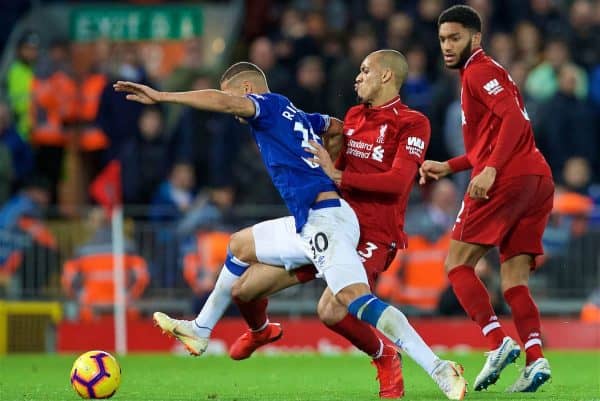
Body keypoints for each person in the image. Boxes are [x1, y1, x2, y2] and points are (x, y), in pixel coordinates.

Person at [115, 60, 467, 400]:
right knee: (240, 260)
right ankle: (208, 329)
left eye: (236, 98)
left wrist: (162, 97)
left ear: (248, 90)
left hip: (330, 221)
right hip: (310, 221)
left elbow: (223, 102)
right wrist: (326, 157)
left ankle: (437, 367)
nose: (234, 110)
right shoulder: (293, 110)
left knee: (352, 302)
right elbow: (332, 126)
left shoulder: (266, 106)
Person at [227, 49, 439, 399]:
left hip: (374, 231)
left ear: (386, 76)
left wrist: (337, 173)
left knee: (330, 309)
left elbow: (398, 183)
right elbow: (329, 168)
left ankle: (388, 357)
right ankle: (260, 330)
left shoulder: (414, 122)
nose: (357, 77)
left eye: (365, 70)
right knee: (244, 290)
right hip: (331, 224)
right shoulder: (353, 116)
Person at [419, 5, 554, 393]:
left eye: (455, 38)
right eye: (443, 39)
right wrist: (451, 166)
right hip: (536, 178)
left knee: (457, 264)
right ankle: (535, 358)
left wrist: (491, 168)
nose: (446, 46)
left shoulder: (480, 70)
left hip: (507, 177)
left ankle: (496, 343)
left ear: (475, 38)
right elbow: (493, 137)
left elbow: (513, 119)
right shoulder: (483, 73)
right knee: (514, 279)